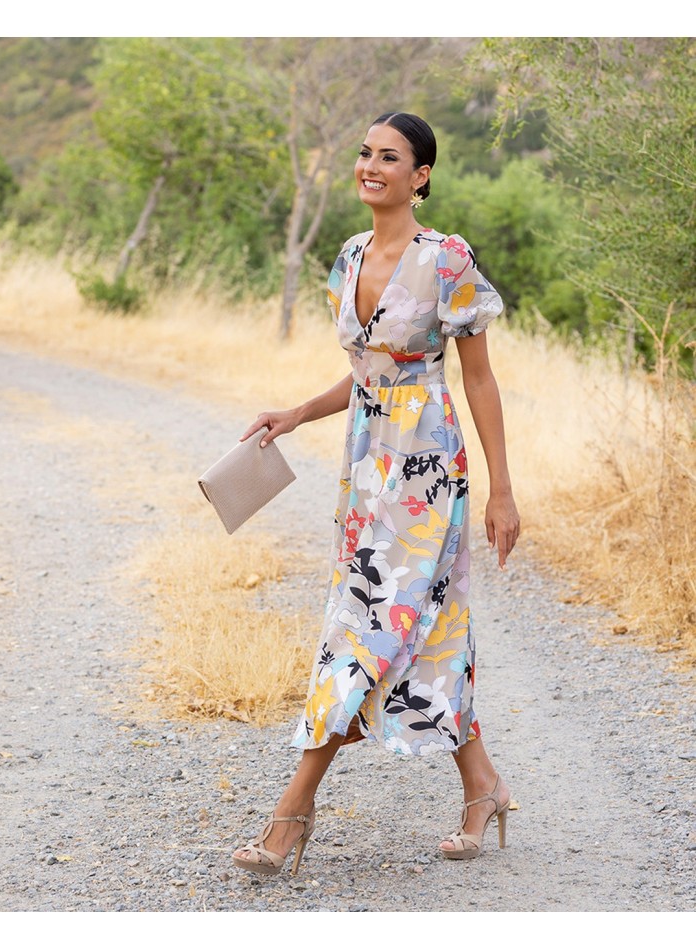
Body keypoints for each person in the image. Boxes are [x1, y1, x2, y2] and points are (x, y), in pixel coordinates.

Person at [232, 112, 520, 877]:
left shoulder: (446, 260)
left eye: (389, 157)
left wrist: (501, 492)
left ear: (420, 175)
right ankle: (482, 787)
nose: (371, 166)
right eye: (364, 153)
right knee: (421, 625)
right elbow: (367, 373)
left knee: (361, 627)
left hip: (426, 470)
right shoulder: (350, 253)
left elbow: (479, 378)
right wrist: (297, 413)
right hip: (366, 470)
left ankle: (292, 813)